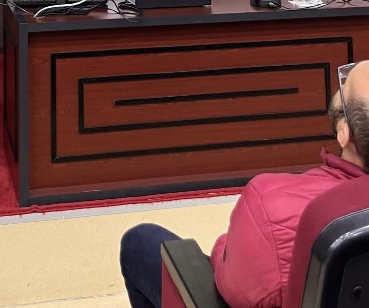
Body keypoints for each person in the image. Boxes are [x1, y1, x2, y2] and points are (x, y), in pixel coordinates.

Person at [119, 60, 369, 308]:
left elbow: (230, 282)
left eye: (344, 87)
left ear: (344, 134)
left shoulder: (271, 204)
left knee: (139, 241)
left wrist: (224, 245)